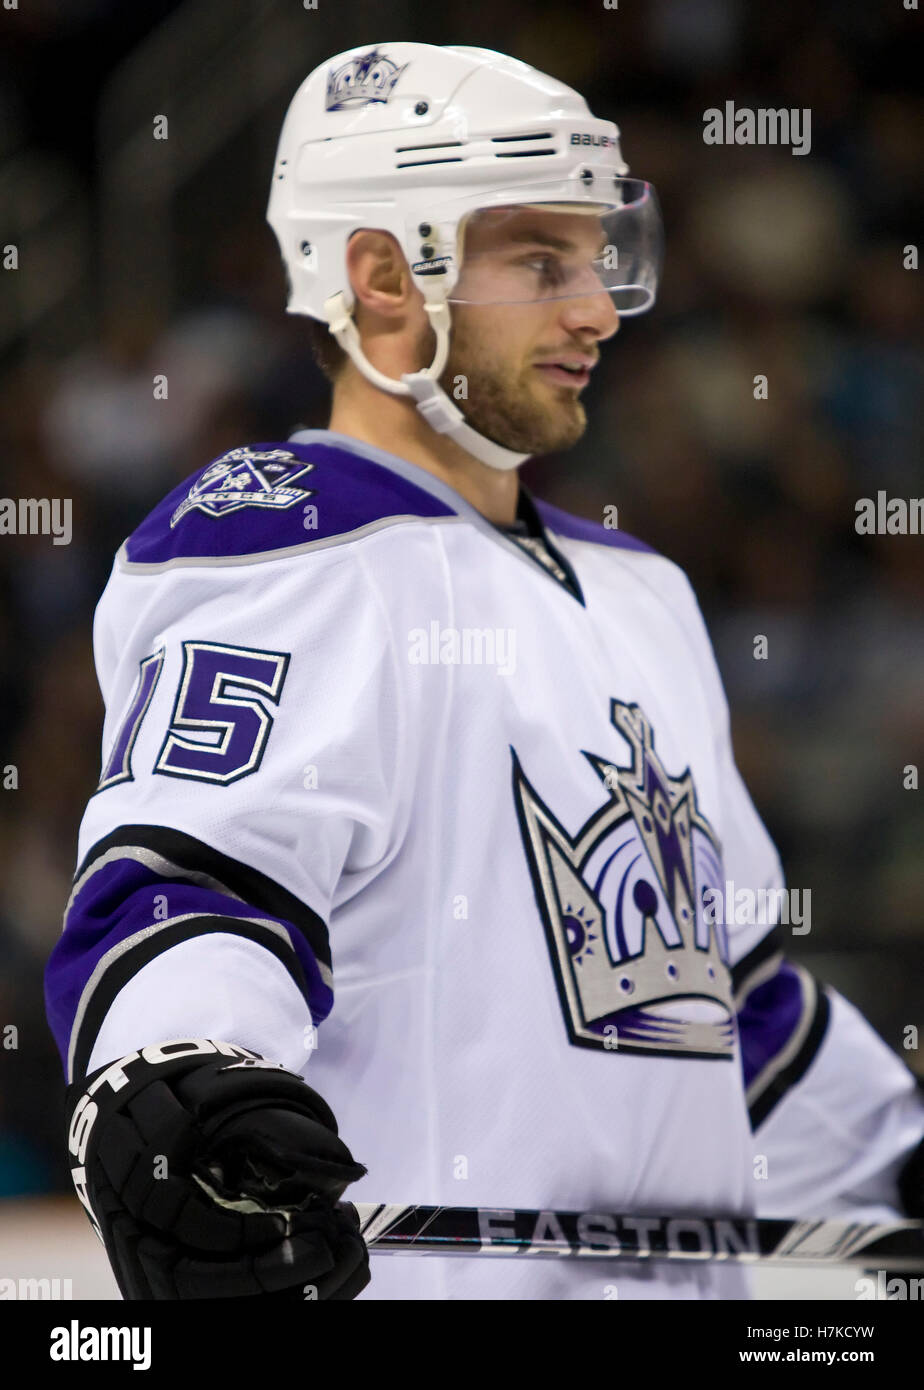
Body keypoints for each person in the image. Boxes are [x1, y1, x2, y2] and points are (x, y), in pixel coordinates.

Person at [45, 41, 924, 1301]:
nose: (597, 310)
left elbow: (733, 1006)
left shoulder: (642, 589)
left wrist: (897, 1161)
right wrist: (177, 1081)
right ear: (383, 278)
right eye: (539, 261)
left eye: (601, 255)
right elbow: (191, 891)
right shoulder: (297, 539)